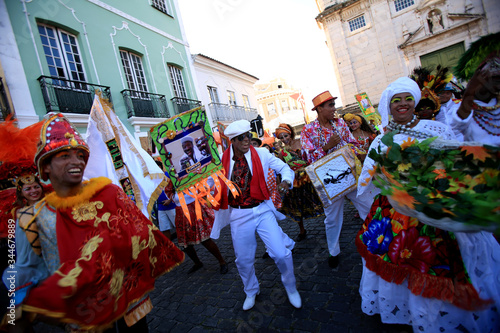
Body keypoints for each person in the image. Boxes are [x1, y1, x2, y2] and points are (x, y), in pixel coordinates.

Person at [356, 76, 500, 331]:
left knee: (445, 262)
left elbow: (457, 162)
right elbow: (368, 179)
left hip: (439, 208)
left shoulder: (437, 128)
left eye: (408, 99)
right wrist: (385, 179)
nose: (403, 105)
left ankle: (450, 313)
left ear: (416, 101)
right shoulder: (380, 140)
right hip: (398, 213)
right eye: (396, 101)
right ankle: (417, 313)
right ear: (388, 106)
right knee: (408, 263)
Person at [21, 113, 184, 331]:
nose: (76, 161)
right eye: (64, 156)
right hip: (84, 312)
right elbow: (23, 270)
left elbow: (142, 234)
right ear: (45, 167)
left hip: (129, 297)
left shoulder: (109, 193)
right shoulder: (31, 217)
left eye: (80, 155)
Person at [211, 120, 301, 311]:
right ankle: (251, 290)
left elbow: (284, 168)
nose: (247, 141)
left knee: (280, 253)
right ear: (232, 142)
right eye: (241, 138)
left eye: (248, 136)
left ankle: (291, 288)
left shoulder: (261, 153)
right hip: (238, 215)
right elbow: (213, 185)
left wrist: (285, 182)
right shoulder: (220, 160)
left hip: (262, 210)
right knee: (243, 260)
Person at [301, 91, 373, 268]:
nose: (334, 108)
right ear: (319, 109)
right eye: (330, 105)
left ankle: (377, 241)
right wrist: (326, 147)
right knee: (332, 219)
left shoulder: (340, 123)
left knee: (369, 206)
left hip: (350, 174)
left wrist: (362, 154)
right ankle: (334, 251)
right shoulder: (308, 130)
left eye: (334, 104)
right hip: (329, 182)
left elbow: (352, 143)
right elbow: (306, 157)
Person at [450, 33, 500, 146]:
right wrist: (470, 92)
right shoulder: (461, 108)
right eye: (491, 68)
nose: (495, 72)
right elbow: (456, 126)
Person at [275, 123, 323, 241]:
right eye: (281, 138)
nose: (284, 139)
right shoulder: (282, 153)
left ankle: (331, 220)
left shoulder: (302, 142)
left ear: (290, 133)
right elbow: (280, 168)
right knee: (295, 204)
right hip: (294, 180)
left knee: (319, 198)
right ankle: (302, 230)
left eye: (286, 136)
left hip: (308, 176)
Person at [251, 132, 282, 210]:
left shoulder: (265, 155)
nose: (252, 146)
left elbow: (280, 167)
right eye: (250, 144)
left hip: (269, 188)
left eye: (254, 143)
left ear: (258, 145)